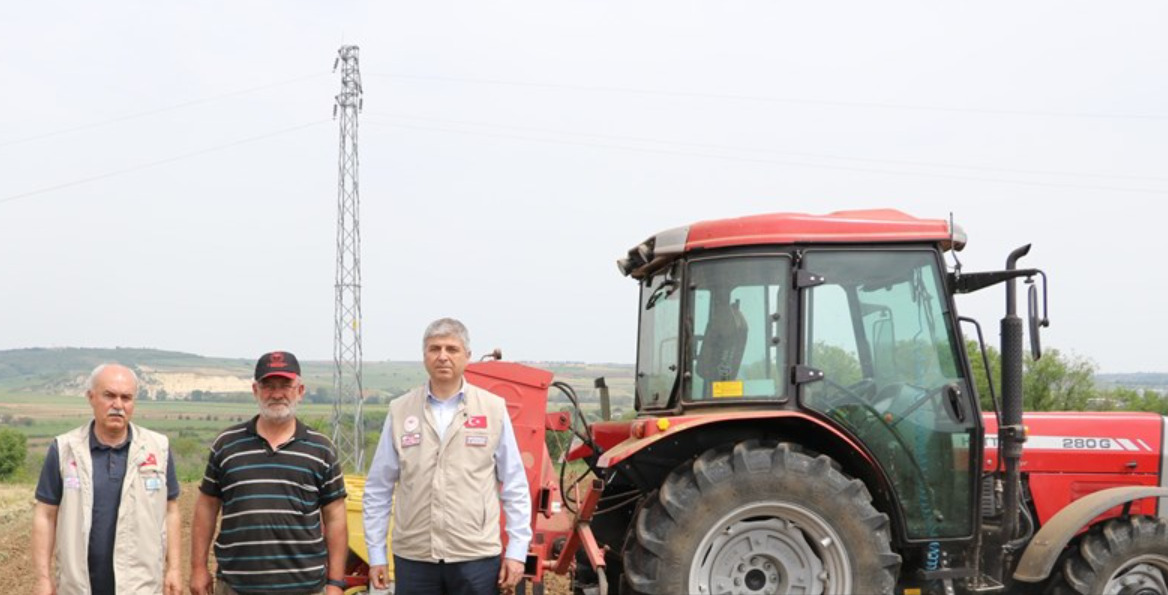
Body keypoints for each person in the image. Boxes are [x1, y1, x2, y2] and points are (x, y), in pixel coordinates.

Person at [364, 318, 532, 595]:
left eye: (452, 349)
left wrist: (516, 551)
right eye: (435, 348)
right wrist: (377, 554)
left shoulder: (492, 409)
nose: (443, 356)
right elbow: (378, 488)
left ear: (467, 356)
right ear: (424, 357)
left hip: (475, 557)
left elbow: (514, 485)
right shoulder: (400, 411)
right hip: (415, 558)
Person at [190, 351, 348, 595]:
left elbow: (335, 517)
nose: (276, 394)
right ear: (255, 390)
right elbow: (207, 506)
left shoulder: (321, 449)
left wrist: (336, 582)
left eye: (285, 385)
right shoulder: (226, 445)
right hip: (236, 587)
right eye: (268, 386)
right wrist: (198, 568)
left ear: (300, 390)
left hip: (305, 588)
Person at [31, 363, 182, 595]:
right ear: (91, 397)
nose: (118, 405)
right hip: (78, 586)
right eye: (109, 396)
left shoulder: (157, 448)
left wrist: (174, 569)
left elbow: (171, 511)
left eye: (126, 398)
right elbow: (45, 515)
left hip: (140, 586)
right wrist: (43, 578)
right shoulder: (65, 449)